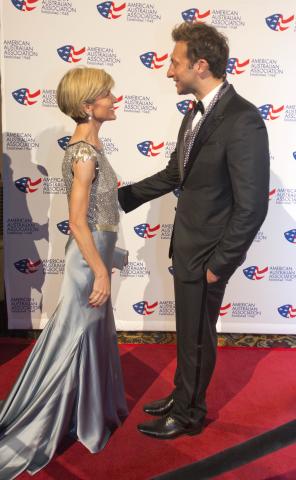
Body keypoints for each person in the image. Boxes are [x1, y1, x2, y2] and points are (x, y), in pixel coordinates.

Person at [118, 22, 270, 440]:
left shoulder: (243, 120)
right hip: (186, 247)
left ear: (200, 66)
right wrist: (120, 197)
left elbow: (253, 204)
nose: (169, 71)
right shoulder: (194, 112)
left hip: (207, 255)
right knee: (188, 332)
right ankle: (182, 395)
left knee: (198, 338)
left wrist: (220, 264)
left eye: (175, 63)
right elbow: (176, 172)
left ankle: (188, 414)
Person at [0, 67, 128, 478]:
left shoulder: (90, 149)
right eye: (106, 94)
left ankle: (86, 416)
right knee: (73, 338)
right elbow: (77, 222)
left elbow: (97, 213)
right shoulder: (85, 155)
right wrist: (101, 272)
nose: (114, 98)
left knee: (86, 336)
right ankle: (44, 423)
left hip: (96, 257)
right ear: (88, 106)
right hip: (87, 262)